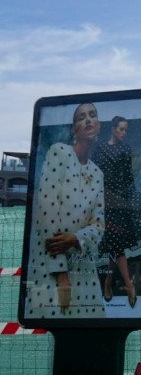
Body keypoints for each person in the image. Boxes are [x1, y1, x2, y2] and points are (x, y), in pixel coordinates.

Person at [23, 102, 106, 319]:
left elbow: (98, 224)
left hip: (85, 269)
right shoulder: (58, 152)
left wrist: (76, 238)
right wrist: (60, 273)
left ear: (98, 125)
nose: (87, 120)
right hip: (51, 268)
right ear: (74, 128)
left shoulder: (98, 174)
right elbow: (47, 213)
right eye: (81, 117)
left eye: (92, 115)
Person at [92, 115, 141, 308]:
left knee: (115, 245)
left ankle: (112, 283)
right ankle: (126, 286)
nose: (123, 133)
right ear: (112, 129)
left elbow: (128, 178)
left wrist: (131, 199)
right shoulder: (100, 149)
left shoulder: (126, 150)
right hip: (105, 200)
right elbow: (94, 174)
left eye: (125, 130)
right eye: (121, 129)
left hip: (122, 200)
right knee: (115, 246)